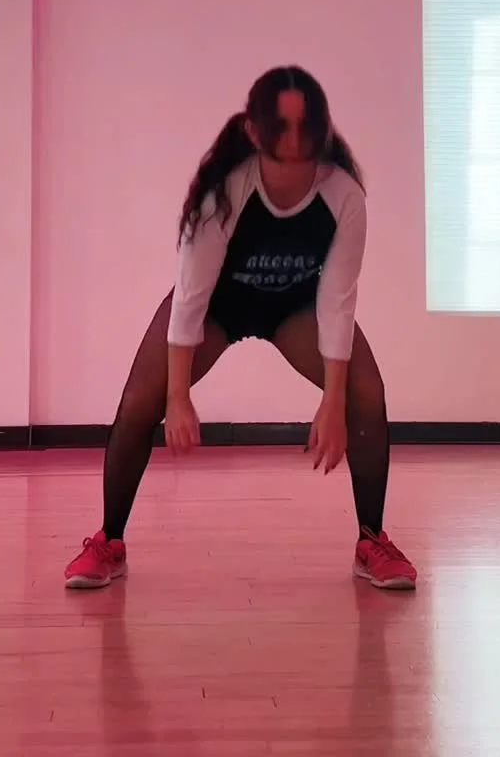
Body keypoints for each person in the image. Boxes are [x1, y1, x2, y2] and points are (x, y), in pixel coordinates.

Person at [64, 65, 417, 591]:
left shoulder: (344, 197)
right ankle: (108, 542)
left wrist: (333, 401)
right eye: (281, 127)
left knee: (366, 391)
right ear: (254, 131)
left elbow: (337, 302)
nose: (294, 142)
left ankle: (372, 541)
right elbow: (190, 299)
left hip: (294, 308)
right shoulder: (226, 193)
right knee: (140, 401)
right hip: (217, 307)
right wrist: (177, 398)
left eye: (305, 126)